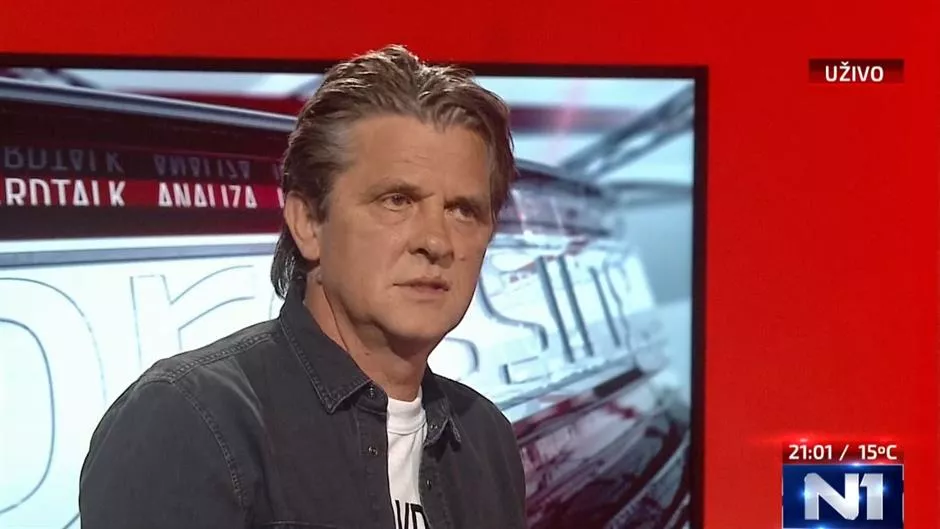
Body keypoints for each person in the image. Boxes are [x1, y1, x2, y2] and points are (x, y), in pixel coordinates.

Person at [78, 45, 527, 529]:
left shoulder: (487, 440)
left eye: (463, 210)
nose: (436, 241)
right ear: (309, 222)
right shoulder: (191, 419)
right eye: (397, 200)